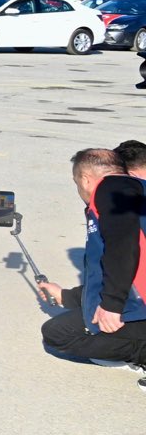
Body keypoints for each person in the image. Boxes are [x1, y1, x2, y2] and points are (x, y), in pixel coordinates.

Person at [34, 149, 146, 370]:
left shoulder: (110, 190)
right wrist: (67, 296)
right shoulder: (137, 188)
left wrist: (112, 306)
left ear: (85, 180)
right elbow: (115, 269)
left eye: (77, 183)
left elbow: (122, 247)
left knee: (58, 333)